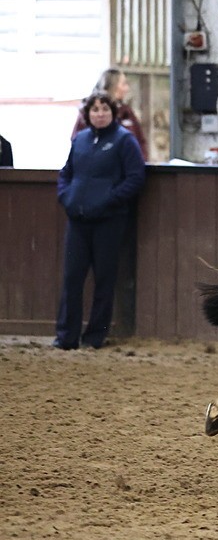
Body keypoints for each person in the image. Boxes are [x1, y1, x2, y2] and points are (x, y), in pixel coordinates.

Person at [53, 92, 146, 350]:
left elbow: (135, 177)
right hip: (78, 219)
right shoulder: (80, 140)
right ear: (88, 114)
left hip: (109, 221)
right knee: (72, 278)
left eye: (105, 109)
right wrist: (66, 196)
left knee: (104, 280)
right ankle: (66, 337)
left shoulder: (124, 140)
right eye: (95, 110)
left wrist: (110, 200)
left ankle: (95, 336)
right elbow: (66, 172)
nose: (100, 114)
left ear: (112, 113)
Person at [72, 68, 148, 160]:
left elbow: (140, 140)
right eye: (124, 84)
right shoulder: (87, 113)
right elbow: (77, 142)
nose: (100, 114)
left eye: (106, 110)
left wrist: (141, 160)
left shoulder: (126, 111)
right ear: (113, 86)